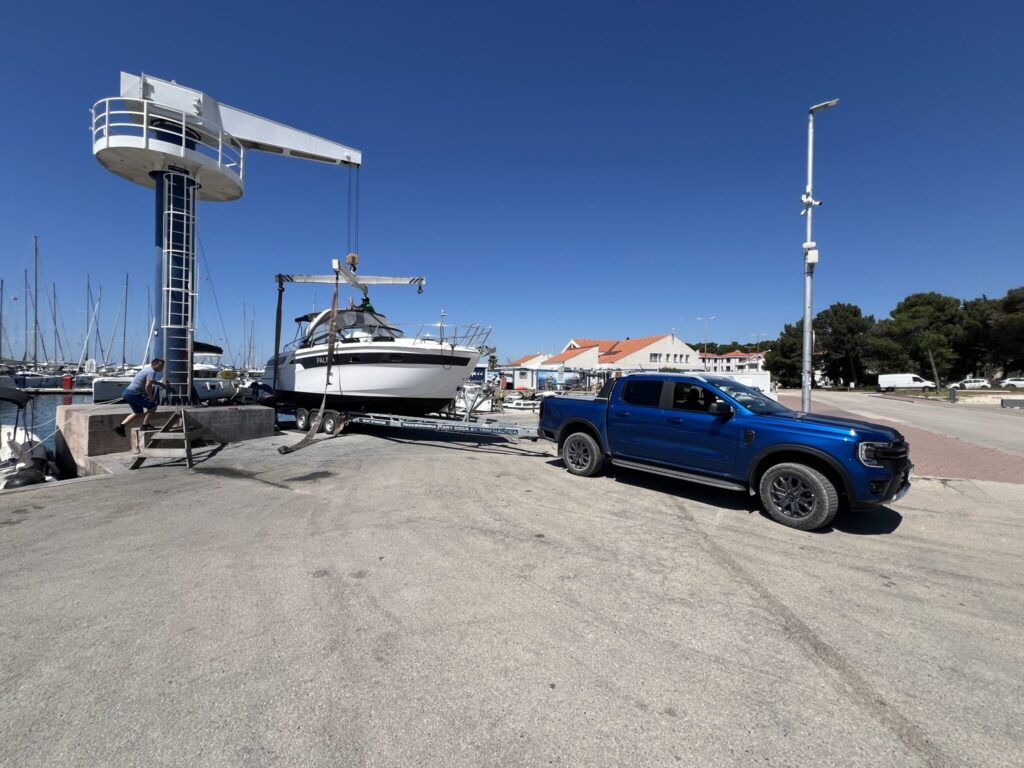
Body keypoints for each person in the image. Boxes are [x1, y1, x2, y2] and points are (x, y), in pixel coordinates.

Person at [114, 359, 165, 437]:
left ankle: (121, 427)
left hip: (127, 393)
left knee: (138, 412)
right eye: (161, 366)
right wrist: (150, 398)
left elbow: (149, 381)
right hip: (134, 393)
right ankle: (145, 425)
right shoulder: (152, 371)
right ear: (155, 365)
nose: (162, 368)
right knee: (153, 407)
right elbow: (148, 386)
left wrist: (159, 384)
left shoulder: (147, 369)